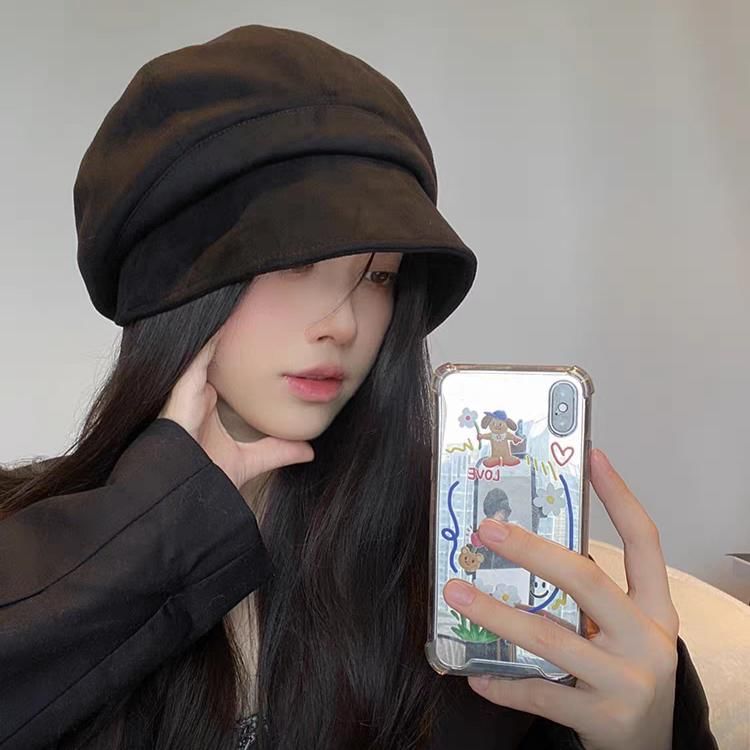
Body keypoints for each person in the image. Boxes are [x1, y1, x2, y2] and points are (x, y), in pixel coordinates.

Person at [0, 24, 718, 750]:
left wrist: (652, 737)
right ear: (171, 286)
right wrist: (153, 527)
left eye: (377, 276)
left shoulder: (477, 571)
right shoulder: (22, 536)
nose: (343, 322)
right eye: (294, 263)